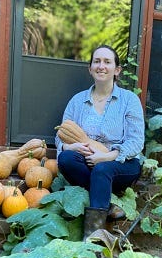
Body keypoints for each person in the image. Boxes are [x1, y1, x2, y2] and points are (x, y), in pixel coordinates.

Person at [55, 45, 145, 239]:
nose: (101, 66)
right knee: (66, 159)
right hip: (86, 161)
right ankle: (107, 203)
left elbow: (136, 141)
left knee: (103, 169)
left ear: (117, 70)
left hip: (122, 163)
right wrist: (71, 146)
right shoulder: (77, 101)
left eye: (107, 62)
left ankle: (93, 238)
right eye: (97, 61)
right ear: (90, 68)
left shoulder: (129, 100)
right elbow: (61, 134)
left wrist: (106, 157)